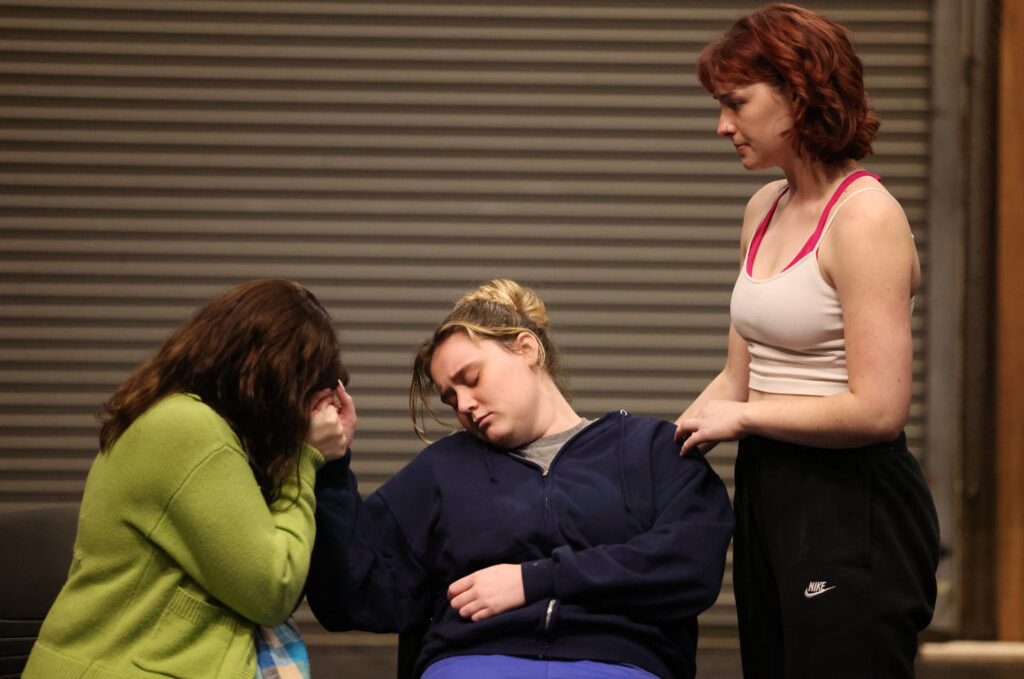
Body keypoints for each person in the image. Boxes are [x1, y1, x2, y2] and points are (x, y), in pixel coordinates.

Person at [673, 3, 940, 679]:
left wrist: (743, 417)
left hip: (853, 501)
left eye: (736, 103)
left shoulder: (866, 218)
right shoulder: (763, 207)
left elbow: (878, 409)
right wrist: (661, 443)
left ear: (798, 94)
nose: (722, 125)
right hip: (769, 485)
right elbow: (738, 379)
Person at [306, 279, 733, 679]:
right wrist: (330, 465)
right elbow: (356, 596)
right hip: (473, 663)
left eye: (471, 379)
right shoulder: (441, 470)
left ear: (527, 349)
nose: (465, 405)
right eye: (451, 397)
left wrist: (535, 580)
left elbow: (688, 563)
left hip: (616, 662)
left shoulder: (650, 449)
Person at [24, 279, 357, 679]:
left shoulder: (182, 418)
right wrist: (306, 457)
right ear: (271, 375)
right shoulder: (189, 429)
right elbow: (274, 588)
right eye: (303, 390)